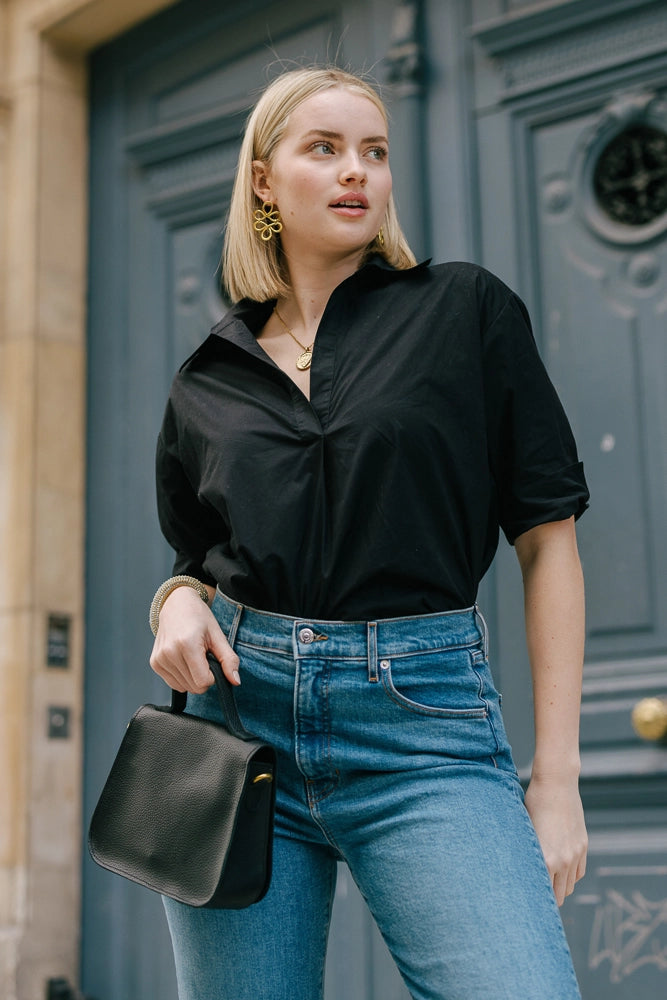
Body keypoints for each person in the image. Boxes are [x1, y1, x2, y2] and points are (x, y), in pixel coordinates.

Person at [149, 66, 589, 1000]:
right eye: (326, 149)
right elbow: (197, 557)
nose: (357, 172)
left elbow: (547, 538)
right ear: (264, 182)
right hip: (241, 730)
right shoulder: (207, 377)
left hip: (421, 724)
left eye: (374, 153)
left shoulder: (462, 311)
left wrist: (557, 773)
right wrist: (176, 602)